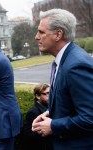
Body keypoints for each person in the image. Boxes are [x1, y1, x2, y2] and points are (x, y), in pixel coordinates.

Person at [32, 8, 93, 150]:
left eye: (41, 32)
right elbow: (71, 100)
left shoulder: (75, 65)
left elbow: (89, 117)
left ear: (58, 34)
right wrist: (50, 113)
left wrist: (53, 125)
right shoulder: (65, 60)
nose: (36, 37)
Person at [20, 83, 52, 150]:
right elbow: (27, 134)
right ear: (38, 96)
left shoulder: (50, 107)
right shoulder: (33, 112)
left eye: (51, 93)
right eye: (47, 93)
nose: (50, 96)